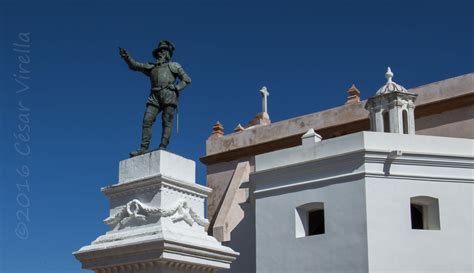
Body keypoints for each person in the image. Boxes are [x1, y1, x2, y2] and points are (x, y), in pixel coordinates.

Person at [119, 40, 192, 157]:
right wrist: (127, 57)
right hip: (154, 96)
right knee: (147, 120)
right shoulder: (151, 67)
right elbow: (135, 65)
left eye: (162, 51)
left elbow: (187, 79)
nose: (159, 54)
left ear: (168, 53)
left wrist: (177, 87)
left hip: (169, 94)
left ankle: (163, 146)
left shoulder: (174, 66)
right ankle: (143, 148)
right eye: (158, 52)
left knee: (166, 121)